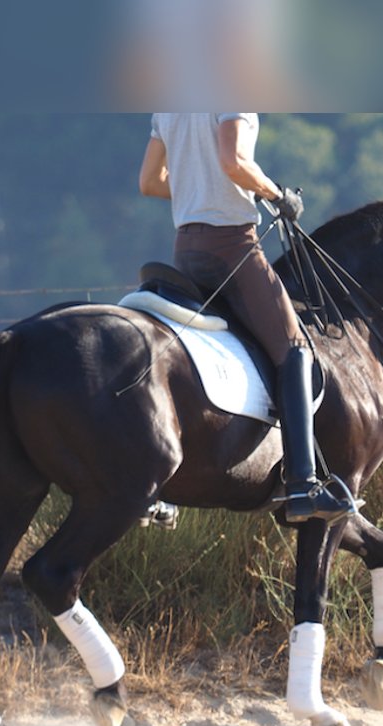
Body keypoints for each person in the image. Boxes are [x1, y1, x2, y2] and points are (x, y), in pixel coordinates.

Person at [138, 113, 356, 523]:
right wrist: (276, 195)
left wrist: (196, 190)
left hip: (186, 249)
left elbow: (149, 182)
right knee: (294, 349)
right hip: (231, 247)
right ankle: (302, 484)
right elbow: (233, 161)